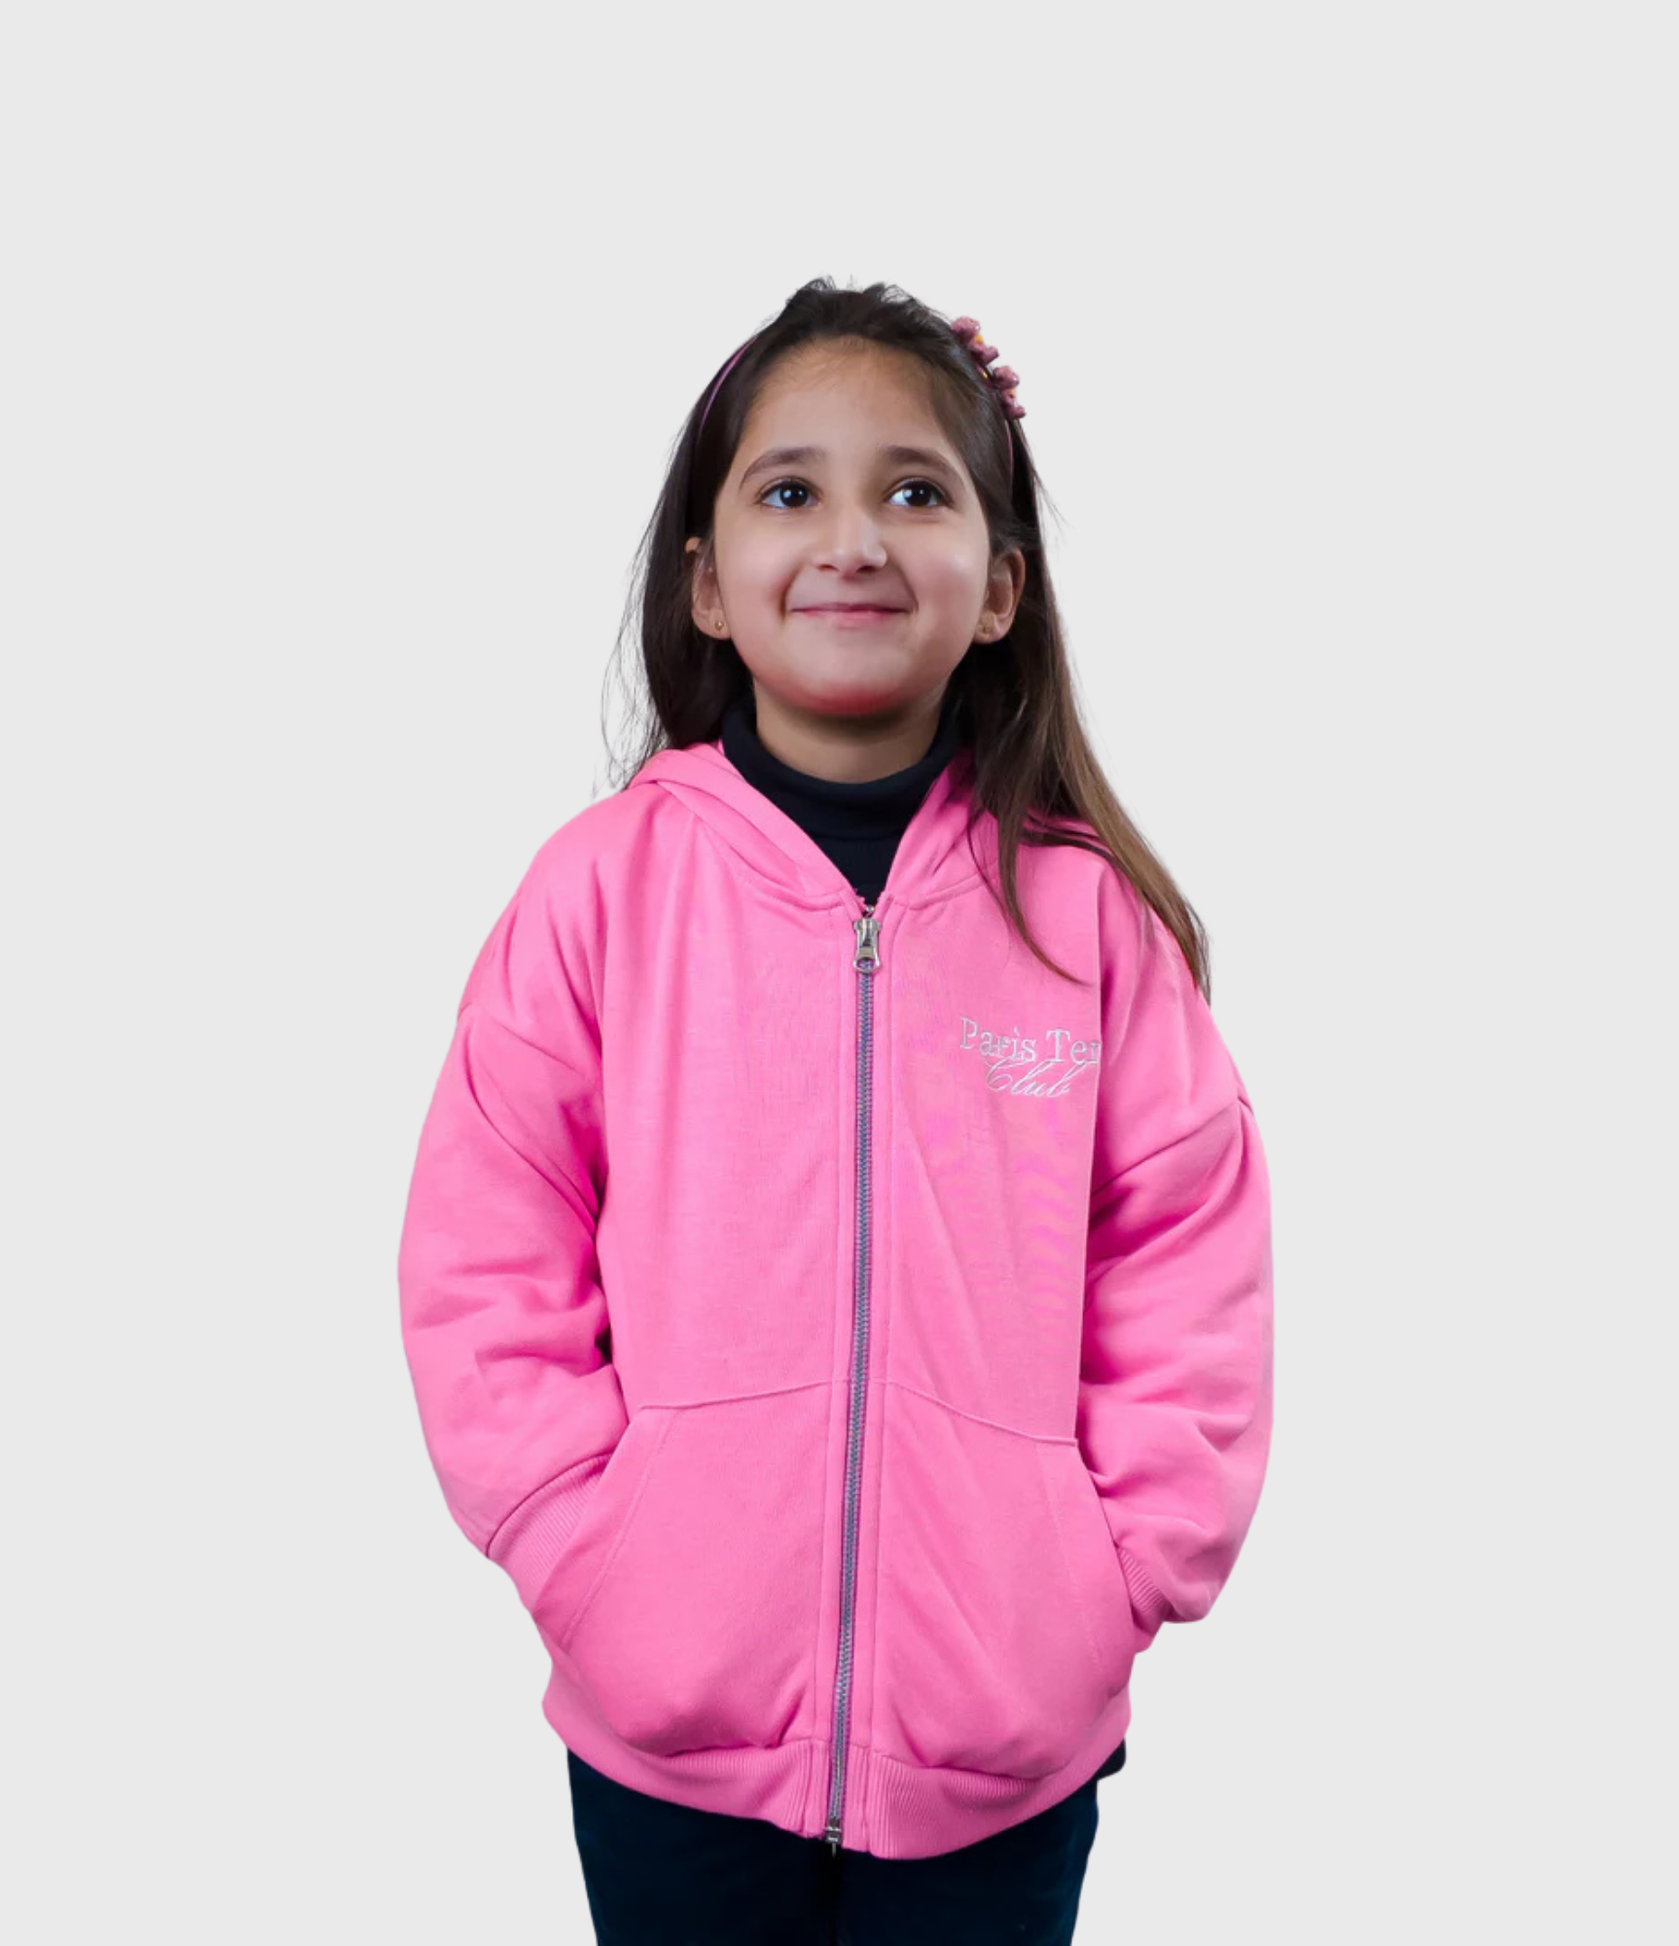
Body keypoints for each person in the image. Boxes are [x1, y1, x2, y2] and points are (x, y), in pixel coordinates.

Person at [397, 278, 1275, 1944]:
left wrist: (1110, 1577)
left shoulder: (1082, 921)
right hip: (669, 1734)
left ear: (1000, 585)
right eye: (790, 488)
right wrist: (588, 1555)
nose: (852, 538)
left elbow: (1185, 1264)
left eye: (915, 488)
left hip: (1000, 1742)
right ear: (706, 581)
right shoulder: (601, 891)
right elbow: (486, 1245)